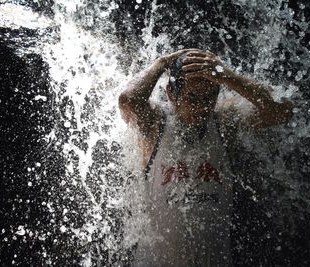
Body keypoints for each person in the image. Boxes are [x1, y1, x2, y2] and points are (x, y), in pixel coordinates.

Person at [118, 48, 293, 267]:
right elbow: (128, 100)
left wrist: (229, 76)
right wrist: (161, 63)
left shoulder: (224, 121)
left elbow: (282, 109)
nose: (201, 106)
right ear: (172, 94)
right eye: (192, 98)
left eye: (208, 97)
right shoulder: (155, 124)